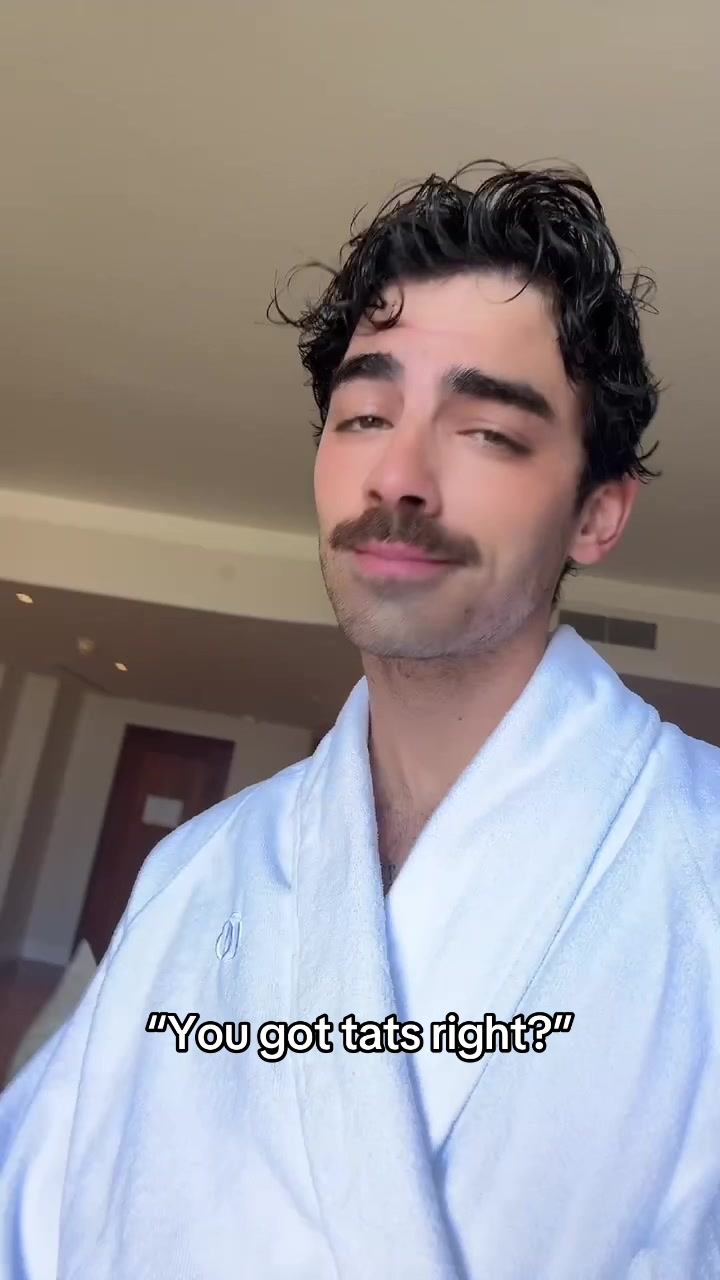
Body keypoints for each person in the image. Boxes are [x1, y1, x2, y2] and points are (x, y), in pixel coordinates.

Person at [1, 162, 719, 1279]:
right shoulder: (195, 870)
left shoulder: (701, 860)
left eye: (488, 430)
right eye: (366, 414)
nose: (399, 475)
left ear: (597, 513)